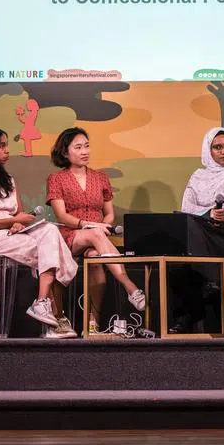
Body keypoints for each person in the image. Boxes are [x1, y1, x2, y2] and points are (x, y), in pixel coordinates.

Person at [0, 126, 78, 330]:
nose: (7, 150)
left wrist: (17, 222)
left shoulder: (9, 180)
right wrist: (10, 222)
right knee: (51, 251)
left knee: (50, 230)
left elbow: (19, 215)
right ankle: (56, 316)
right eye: (1, 146)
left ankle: (41, 302)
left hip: (13, 233)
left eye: (7, 145)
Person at [47, 128, 144, 334]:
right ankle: (130, 286)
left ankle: (93, 322)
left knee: (95, 259)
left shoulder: (100, 177)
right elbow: (61, 216)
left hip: (98, 238)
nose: (85, 151)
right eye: (78, 147)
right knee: (95, 236)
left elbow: (108, 214)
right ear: (65, 153)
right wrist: (89, 226)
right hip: (70, 235)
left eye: (87, 146)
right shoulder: (57, 178)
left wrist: (104, 225)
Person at [173, 127, 224, 335]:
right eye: (217, 147)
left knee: (193, 242)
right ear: (208, 151)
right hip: (204, 234)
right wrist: (209, 214)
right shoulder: (198, 177)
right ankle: (193, 306)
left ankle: (207, 288)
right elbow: (186, 210)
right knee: (184, 232)